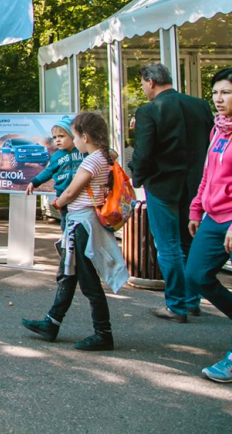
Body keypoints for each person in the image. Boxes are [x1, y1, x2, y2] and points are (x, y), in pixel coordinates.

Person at [21, 112, 129, 351]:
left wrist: (58, 204)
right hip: (84, 222)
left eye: (75, 135)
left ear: (84, 136)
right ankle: (52, 322)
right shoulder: (103, 156)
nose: (72, 141)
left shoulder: (90, 161)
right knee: (68, 273)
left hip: (82, 223)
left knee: (88, 281)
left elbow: (70, 192)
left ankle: (103, 333)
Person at [129, 63, 214, 323]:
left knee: (167, 246)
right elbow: (212, 143)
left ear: (150, 81)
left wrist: (138, 177)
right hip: (196, 186)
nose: (143, 89)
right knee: (188, 243)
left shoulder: (148, 111)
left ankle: (176, 305)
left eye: (143, 84)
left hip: (162, 186)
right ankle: (192, 301)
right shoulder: (201, 106)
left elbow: (144, 152)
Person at [189, 68, 232, 383]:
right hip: (213, 218)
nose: (218, 98)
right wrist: (196, 208)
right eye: (215, 92)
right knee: (197, 275)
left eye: (227, 92)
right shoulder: (220, 128)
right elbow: (209, 172)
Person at [26, 116, 85, 230]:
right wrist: (34, 182)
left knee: (81, 227)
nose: (57, 140)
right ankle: (66, 243)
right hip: (64, 197)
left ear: (73, 135)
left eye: (61, 136)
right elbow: (48, 171)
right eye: (55, 137)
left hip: (82, 196)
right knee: (66, 224)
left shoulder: (83, 151)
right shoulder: (57, 156)